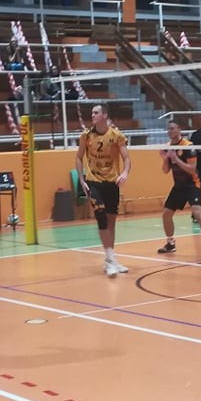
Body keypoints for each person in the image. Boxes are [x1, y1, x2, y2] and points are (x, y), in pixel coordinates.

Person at [75, 104, 132, 277]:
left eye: (96, 112)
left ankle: (111, 260)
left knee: (111, 222)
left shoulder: (116, 135)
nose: (92, 115)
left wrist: (125, 172)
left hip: (112, 183)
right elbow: (78, 158)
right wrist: (81, 179)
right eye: (92, 112)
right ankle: (110, 260)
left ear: (105, 115)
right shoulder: (86, 136)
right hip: (94, 182)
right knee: (101, 218)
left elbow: (126, 157)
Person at [157, 121, 201, 258]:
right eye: (168, 129)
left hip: (192, 184)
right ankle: (170, 243)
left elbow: (192, 169)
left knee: (197, 213)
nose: (170, 131)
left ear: (179, 129)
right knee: (166, 214)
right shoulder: (168, 147)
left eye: (172, 128)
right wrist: (165, 159)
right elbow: (165, 170)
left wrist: (176, 159)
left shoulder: (188, 146)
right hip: (179, 186)